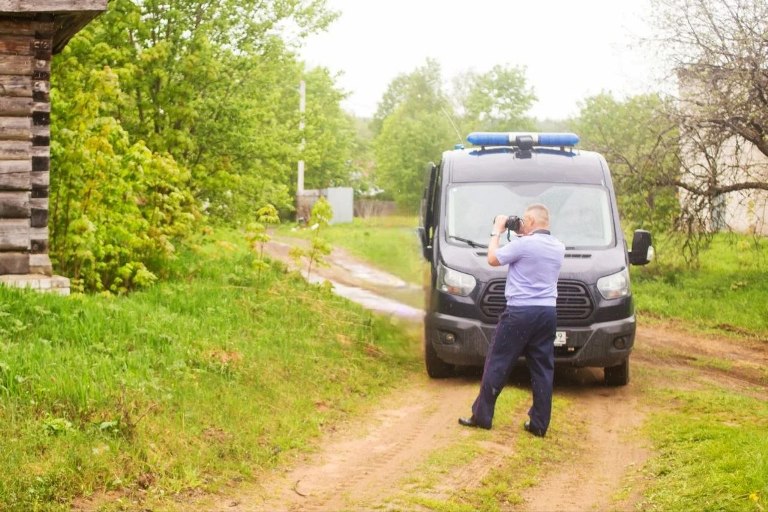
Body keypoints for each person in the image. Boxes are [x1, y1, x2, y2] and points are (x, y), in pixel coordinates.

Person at [458, 204, 565, 436]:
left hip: (519, 312)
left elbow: (493, 259)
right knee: (542, 368)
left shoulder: (522, 245)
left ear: (530, 221)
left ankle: (482, 416)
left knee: (498, 361)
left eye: (525, 222)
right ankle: (539, 424)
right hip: (547, 312)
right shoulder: (559, 247)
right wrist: (520, 234)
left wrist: (497, 230)